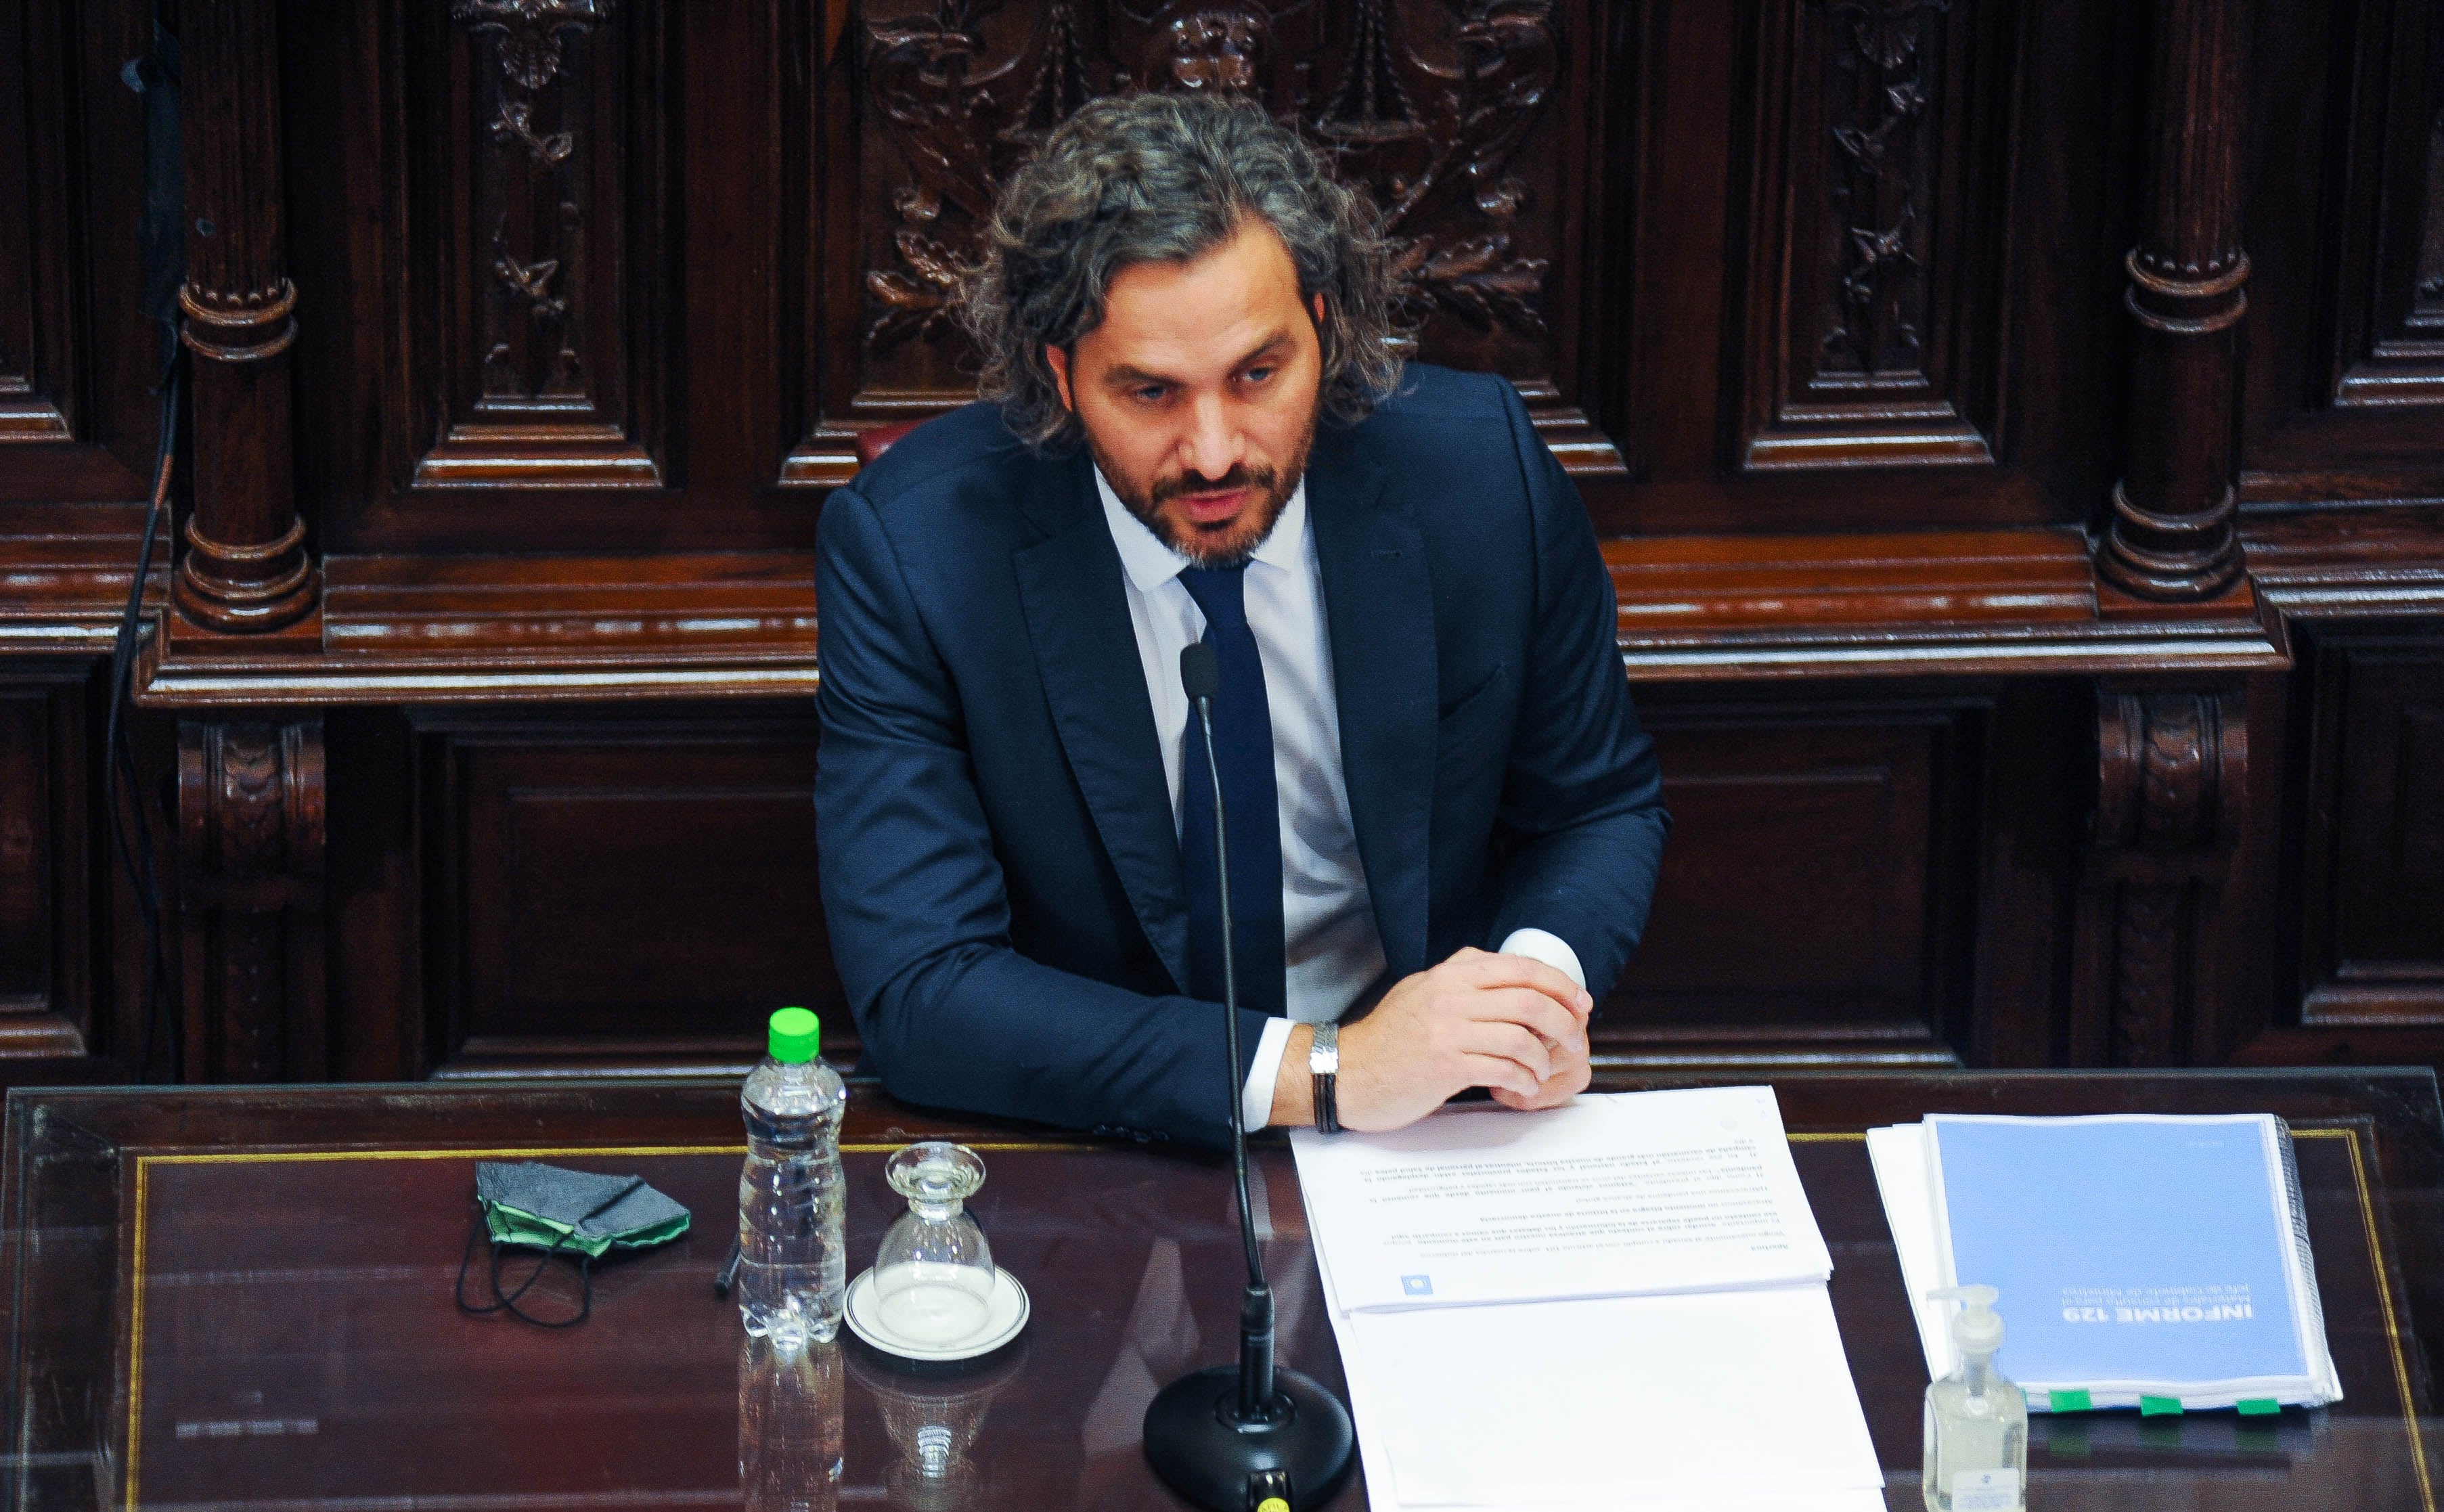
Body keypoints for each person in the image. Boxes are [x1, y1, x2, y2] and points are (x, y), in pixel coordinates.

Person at [814, 93, 1668, 1149]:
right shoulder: (916, 551)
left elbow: (1597, 805)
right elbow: (924, 990)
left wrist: (1524, 1000)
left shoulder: (1478, 473)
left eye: (1258, 374)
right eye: (1152, 394)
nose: (1216, 450)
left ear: (1322, 323)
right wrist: (1330, 1071)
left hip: (1436, 1127)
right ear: (1060, 376)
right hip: (1111, 1137)